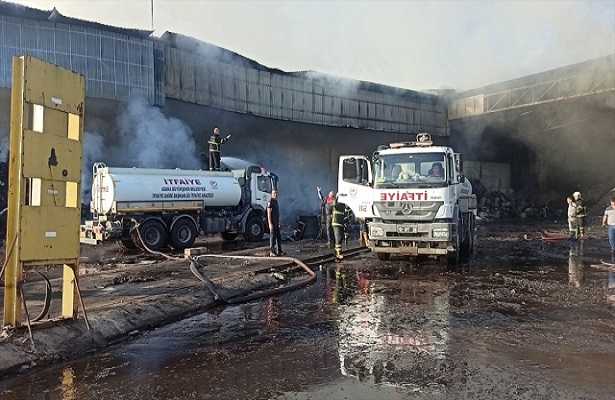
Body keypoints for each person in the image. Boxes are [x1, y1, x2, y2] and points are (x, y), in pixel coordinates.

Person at [332, 195, 350, 260]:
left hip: (341, 224)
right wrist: (337, 197)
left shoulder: (343, 205)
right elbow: (334, 203)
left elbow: (346, 214)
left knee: (340, 238)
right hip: (336, 223)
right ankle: (338, 254)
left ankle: (338, 252)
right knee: (338, 238)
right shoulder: (336, 204)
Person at [267, 189, 284, 256]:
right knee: (273, 237)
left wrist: (278, 223)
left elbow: (277, 214)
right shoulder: (270, 202)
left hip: (276, 222)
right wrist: (270, 223)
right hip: (273, 222)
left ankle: (279, 250)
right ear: (271, 194)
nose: (275, 194)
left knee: (278, 237)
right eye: (274, 193)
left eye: (276, 193)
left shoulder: (275, 202)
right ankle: (272, 251)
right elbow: (269, 213)